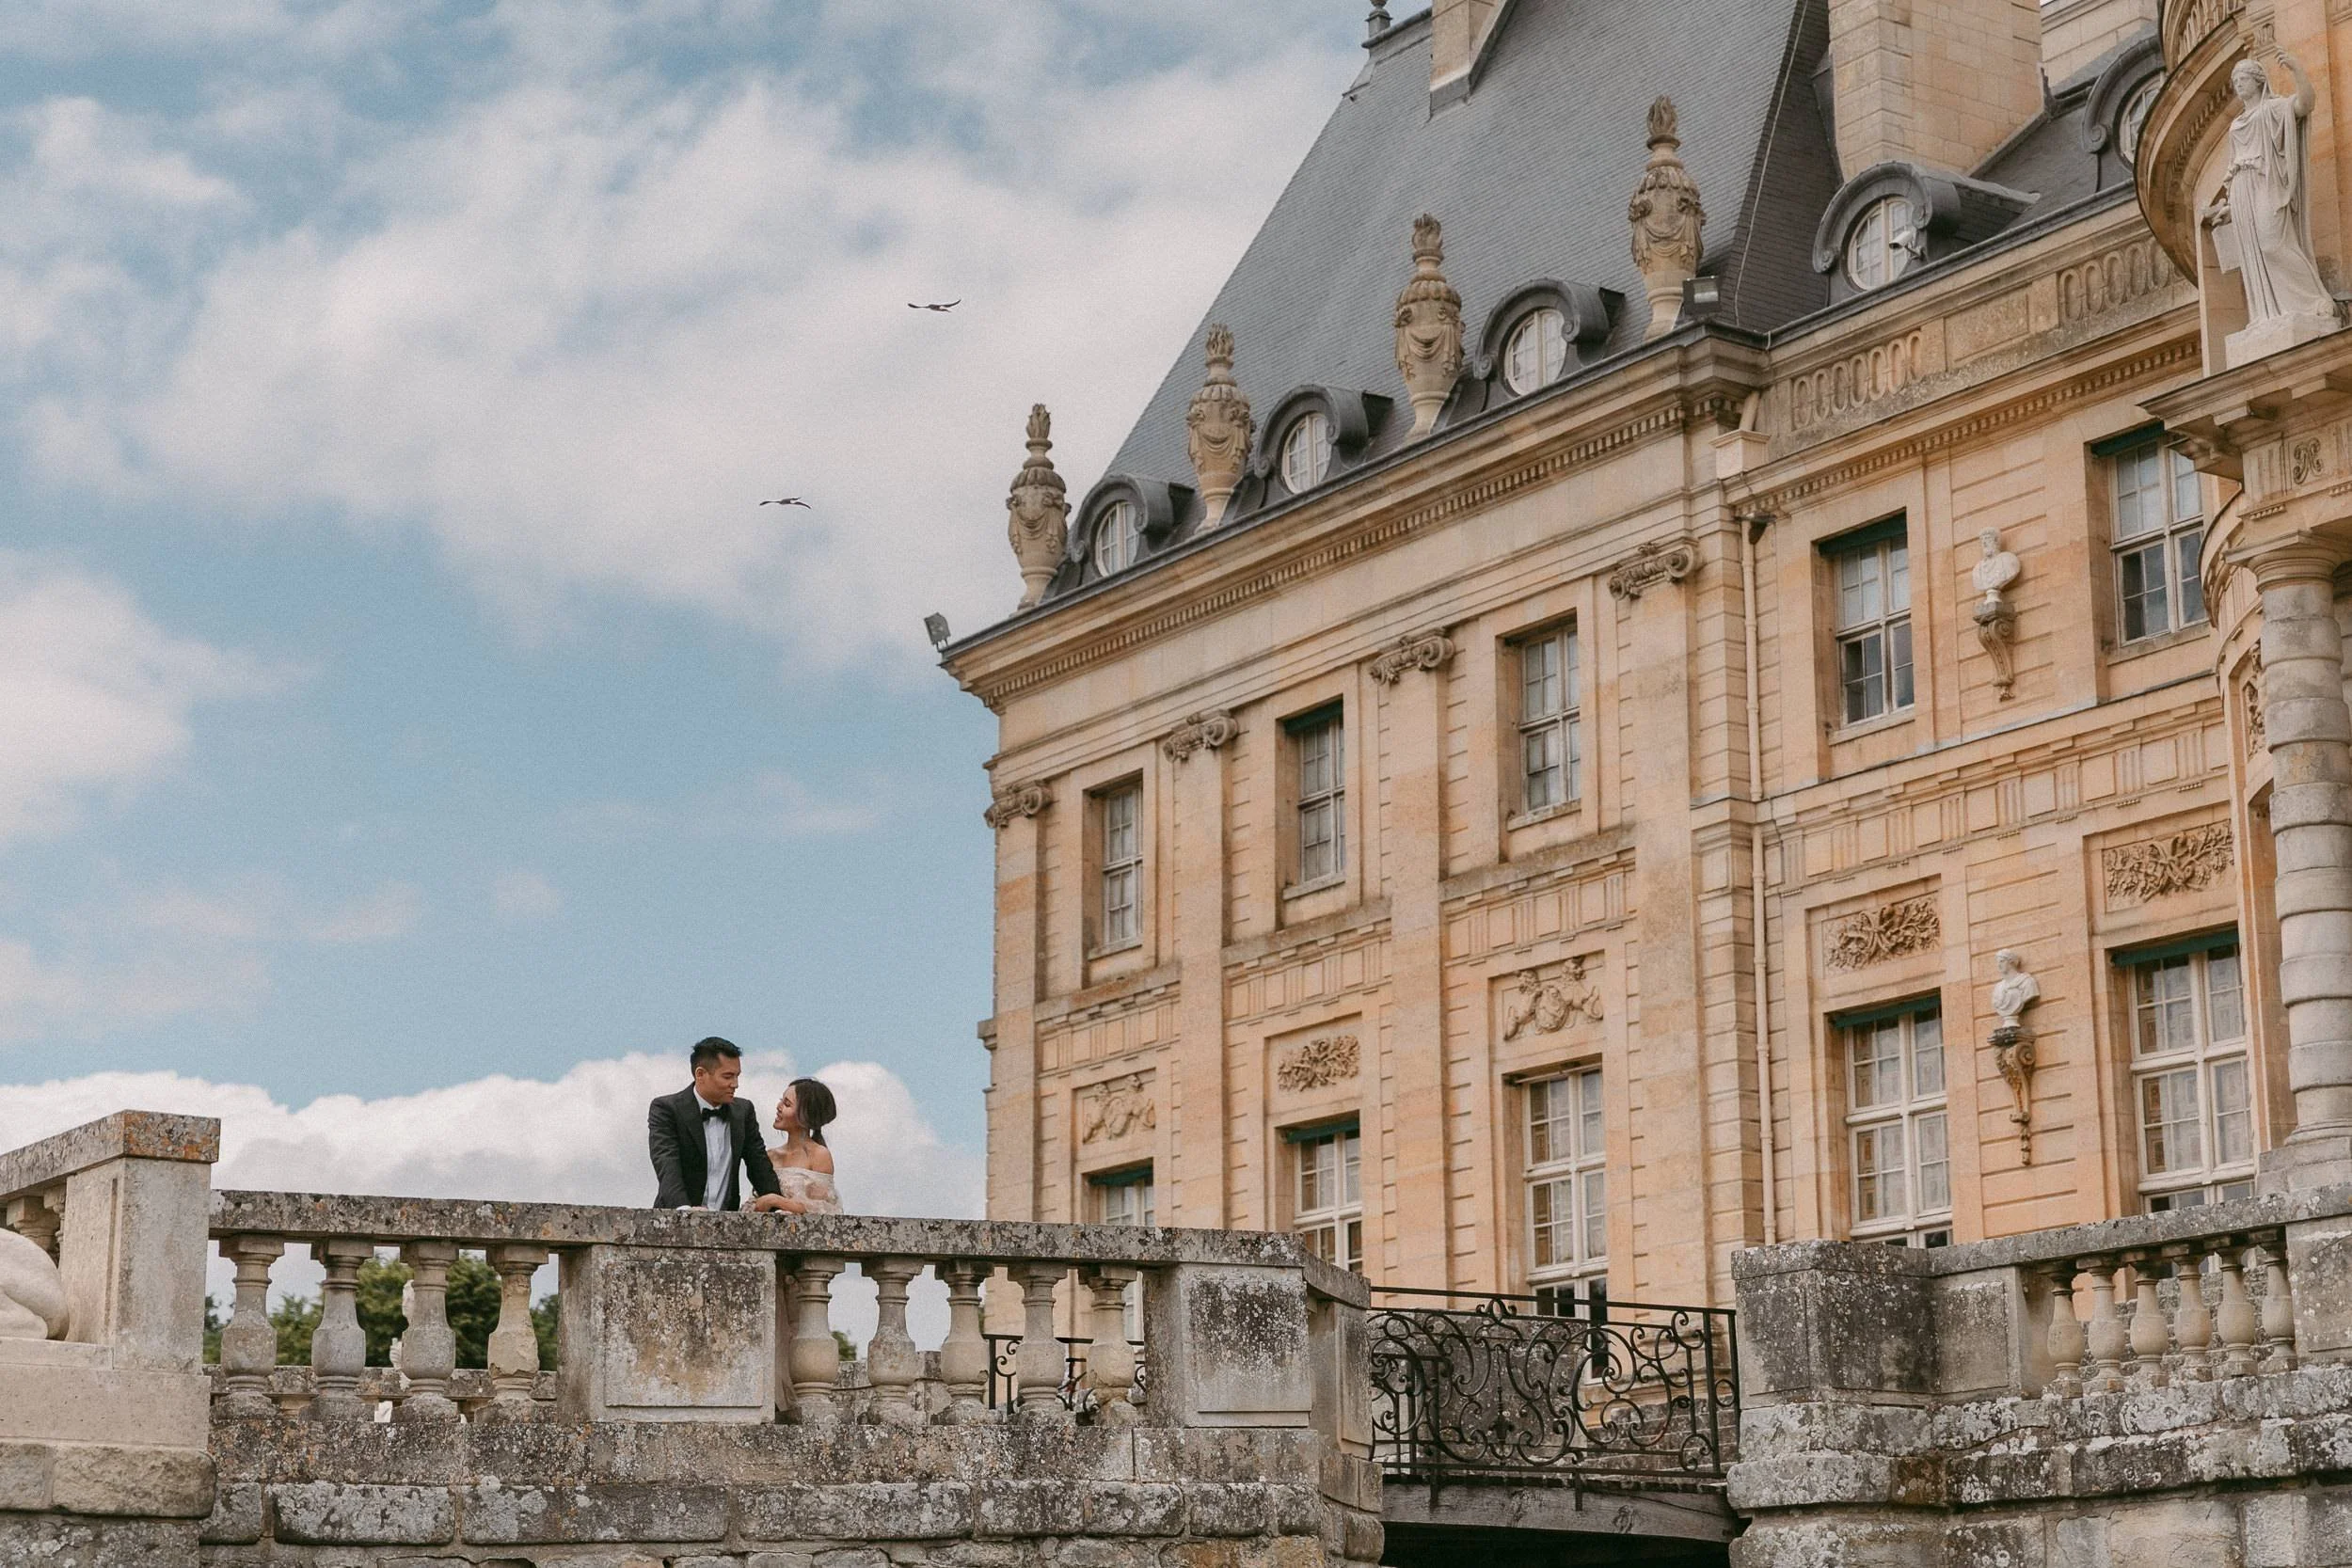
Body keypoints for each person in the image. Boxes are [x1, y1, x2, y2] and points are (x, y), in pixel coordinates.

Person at [648, 1037, 782, 1212]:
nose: (735, 1084)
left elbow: (759, 1165)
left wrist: (778, 1208)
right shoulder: (666, 1109)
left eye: (737, 1076)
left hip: (727, 1226)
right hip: (673, 1223)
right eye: (727, 1076)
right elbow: (667, 1163)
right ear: (701, 1074)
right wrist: (683, 1210)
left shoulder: (744, 1111)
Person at [749, 1076, 844, 1215]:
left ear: (805, 1114)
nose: (778, 1107)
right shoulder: (770, 1155)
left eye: (787, 1104)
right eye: (781, 1101)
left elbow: (825, 1210)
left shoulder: (819, 1155)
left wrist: (777, 1201)